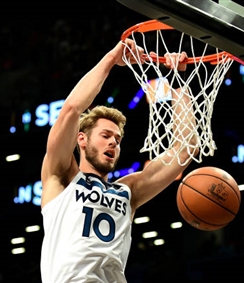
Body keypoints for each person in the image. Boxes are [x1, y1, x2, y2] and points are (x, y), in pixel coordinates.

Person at [39, 38, 198, 283]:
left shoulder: (128, 191)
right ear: (81, 140)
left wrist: (176, 81)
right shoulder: (61, 177)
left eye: (118, 138)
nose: (114, 142)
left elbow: (185, 149)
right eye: (105, 136)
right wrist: (112, 58)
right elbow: (71, 109)